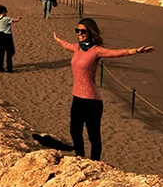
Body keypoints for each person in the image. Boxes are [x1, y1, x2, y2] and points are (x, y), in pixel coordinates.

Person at [53, 18, 153, 160]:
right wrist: (57, 39)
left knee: (93, 136)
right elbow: (66, 45)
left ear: (90, 32)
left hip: (92, 101)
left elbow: (115, 53)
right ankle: (79, 159)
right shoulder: (77, 47)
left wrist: (135, 51)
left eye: (83, 31)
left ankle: (95, 163)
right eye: (77, 30)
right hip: (77, 97)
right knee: (74, 131)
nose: (79, 33)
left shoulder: (96, 51)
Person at [0, 5, 22, 72]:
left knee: (1, 53)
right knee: (9, 53)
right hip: (7, 36)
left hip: (0, 36)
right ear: (3, 12)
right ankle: (9, 68)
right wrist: (19, 18)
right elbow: (15, 20)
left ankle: (1, 67)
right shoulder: (7, 19)